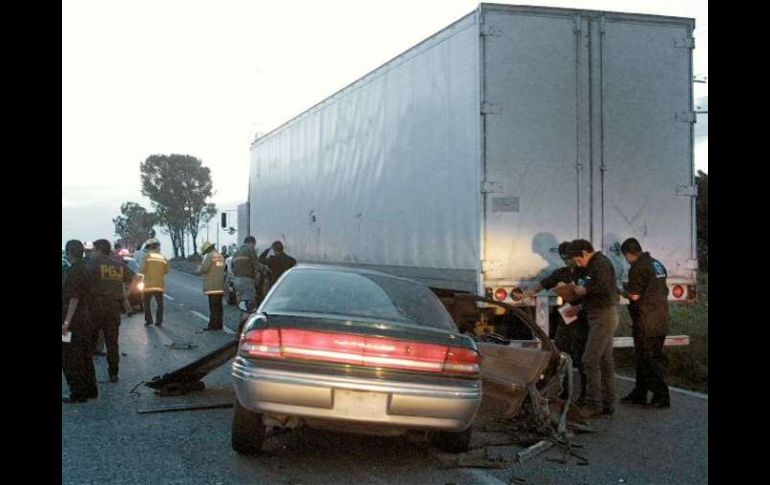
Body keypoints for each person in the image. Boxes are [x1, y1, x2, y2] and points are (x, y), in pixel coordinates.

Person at [528, 241, 589, 404]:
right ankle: (562, 391)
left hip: (582, 318)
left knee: (582, 357)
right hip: (566, 317)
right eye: (563, 258)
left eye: (568, 258)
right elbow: (544, 284)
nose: (566, 261)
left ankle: (585, 394)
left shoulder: (585, 272)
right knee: (561, 354)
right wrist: (527, 293)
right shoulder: (560, 273)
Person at [566, 239, 620, 418]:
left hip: (603, 316)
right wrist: (580, 306)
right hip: (597, 314)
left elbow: (604, 288)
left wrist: (584, 291)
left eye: (578, 259)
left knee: (589, 359)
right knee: (604, 360)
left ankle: (593, 403)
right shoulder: (593, 265)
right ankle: (608, 403)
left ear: (584, 252)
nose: (578, 263)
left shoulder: (601, 264)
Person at [619, 238, 671, 408]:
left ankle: (661, 396)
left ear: (628, 254)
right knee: (645, 357)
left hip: (645, 319)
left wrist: (621, 290)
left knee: (649, 359)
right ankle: (639, 393)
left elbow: (634, 296)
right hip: (660, 316)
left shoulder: (638, 267)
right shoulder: (656, 264)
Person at [87, 239, 136, 383]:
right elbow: (135, 278)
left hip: (95, 306)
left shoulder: (93, 264)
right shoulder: (118, 265)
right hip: (113, 307)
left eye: (94, 250)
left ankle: (89, 376)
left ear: (99, 249)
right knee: (112, 342)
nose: (92, 253)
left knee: (89, 341)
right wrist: (125, 296)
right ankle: (113, 373)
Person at [62, 240, 98, 403]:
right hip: (86, 317)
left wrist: (66, 323)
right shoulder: (87, 268)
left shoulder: (74, 271)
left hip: (72, 319)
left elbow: (74, 298)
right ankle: (91, 389)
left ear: (69, 252)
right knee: (84, 354)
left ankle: (77, 392)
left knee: (69, 355)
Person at [231, 236, 268, 329]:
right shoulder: (250, 250)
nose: (254, 247)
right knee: (249, 306)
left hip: (237, 281)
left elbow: (232, 268)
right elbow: (256, 264)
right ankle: (244, 329)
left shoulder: (236, 253)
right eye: (254, 245)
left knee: (242, 305)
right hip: (247, 281)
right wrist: (265, 268)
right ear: (252, 243)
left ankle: (241, 325)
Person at [140, 238, 169, 327]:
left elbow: (142, 270)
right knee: (160, 304)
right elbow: (167, 270)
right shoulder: (163, 257)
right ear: (157, 246)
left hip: (148, 284)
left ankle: (149, 321)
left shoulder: (146, 256)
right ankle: (159, 322)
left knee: (146, 303)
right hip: (159, 284)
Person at [199, 241, 225, 331]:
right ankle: (219, 324)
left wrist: (200, 266)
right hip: (220, 284)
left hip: (212, 285)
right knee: (219, 306)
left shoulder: (210, 256)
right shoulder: (220, 256)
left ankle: (212, 325)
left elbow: (204, 269)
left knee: (213, 307)